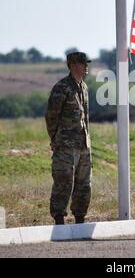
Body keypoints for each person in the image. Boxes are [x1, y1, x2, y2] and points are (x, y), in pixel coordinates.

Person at [45, 52, 92, 225]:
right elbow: (51, 116)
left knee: (84, 184)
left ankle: (80, 218)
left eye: (86, 63)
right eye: (82, 63)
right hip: (65, 146)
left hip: (83, 145)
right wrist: (55, 138)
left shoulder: (84, 87)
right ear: (72, 65)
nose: (86, 66)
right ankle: (59, 219)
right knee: (64, 183)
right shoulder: (62, 87)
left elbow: (84, 117)